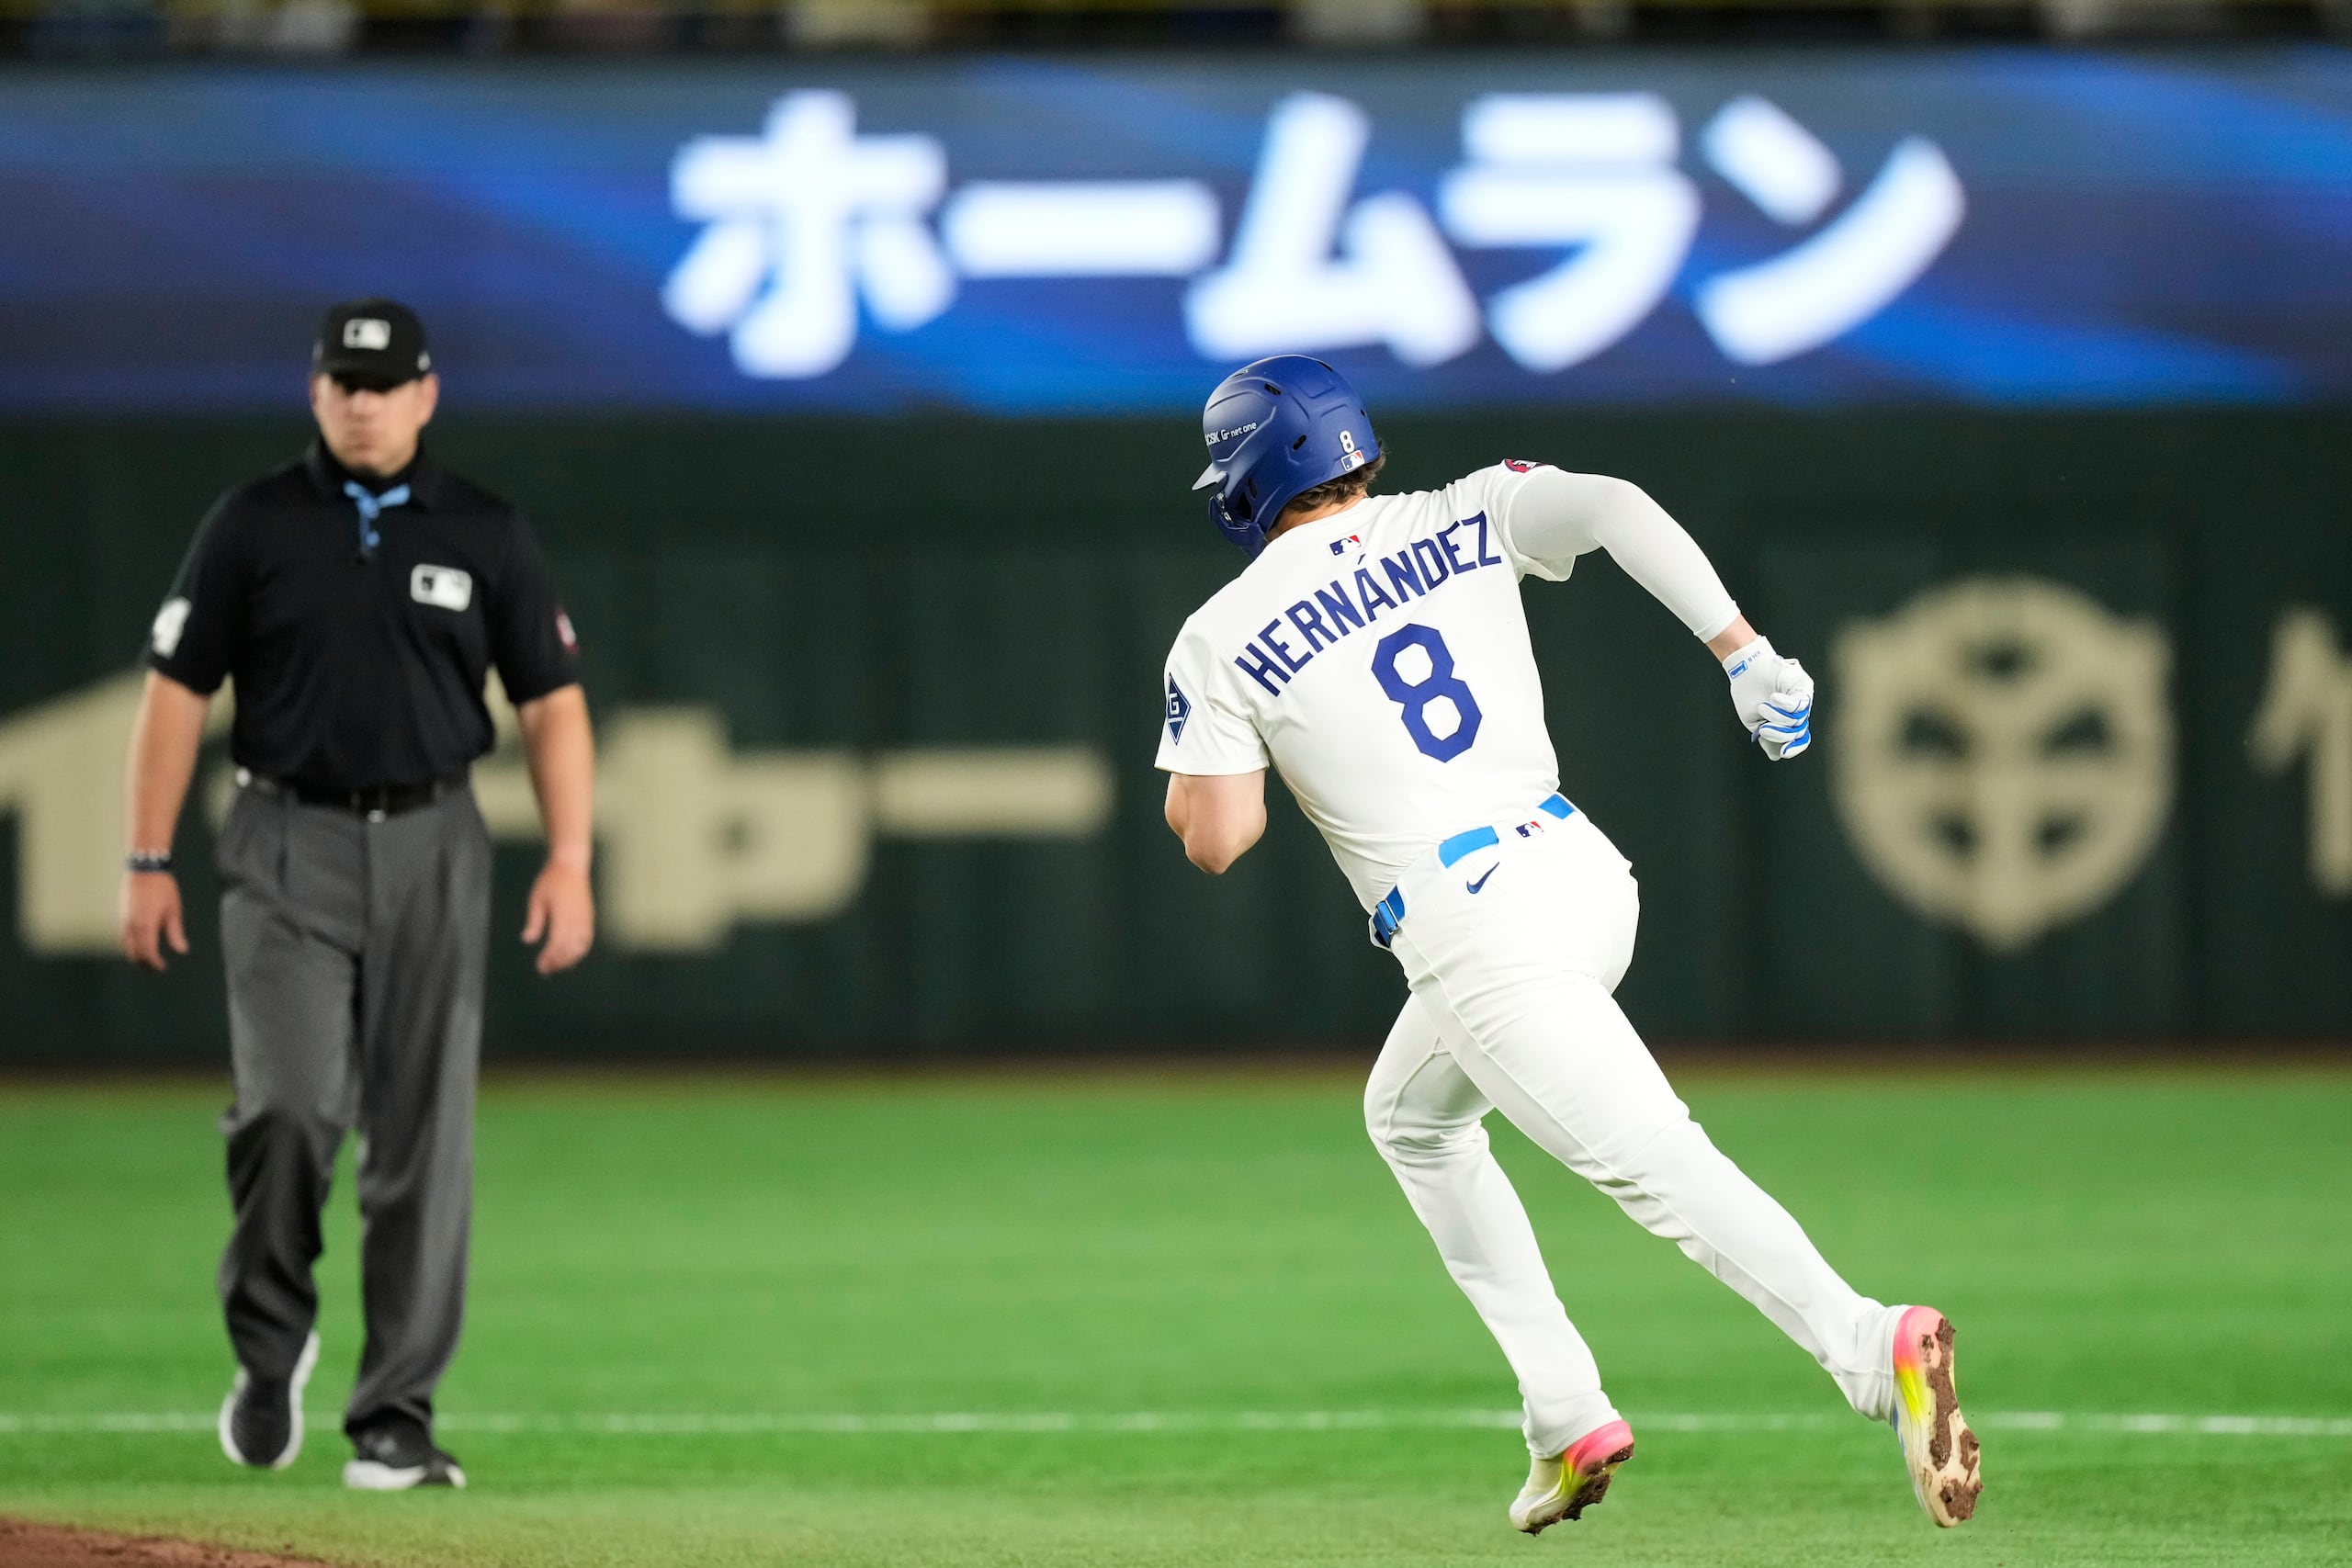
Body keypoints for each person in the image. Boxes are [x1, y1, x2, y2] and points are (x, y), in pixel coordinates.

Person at [1156, 356, 1981, 1535]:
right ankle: (1561, 1407)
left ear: (1242, 479)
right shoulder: (1463, 508)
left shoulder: (1220, 630)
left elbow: (1220, 837)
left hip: (1469, 925)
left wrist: (1207, 766)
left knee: (1656, 1164)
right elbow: (1612, 507)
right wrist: (1742, 650)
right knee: (1410, 1120)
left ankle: (1870, 1343)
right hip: (1581, 874)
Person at [117, 299, 596, 1490]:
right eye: (344, 382)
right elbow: (176, 690)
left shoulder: (484, 529)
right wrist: (142, 858)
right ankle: (270, 1349)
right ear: (314, 391)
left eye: (384, 383)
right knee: (288, 1106)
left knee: (424, 1136)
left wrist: (574, 858)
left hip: (436, 833)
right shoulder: (254, 523)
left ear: (427, 393)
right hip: (285, 836)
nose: (364, 402)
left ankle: (395, 1414)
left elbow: (551, 699)